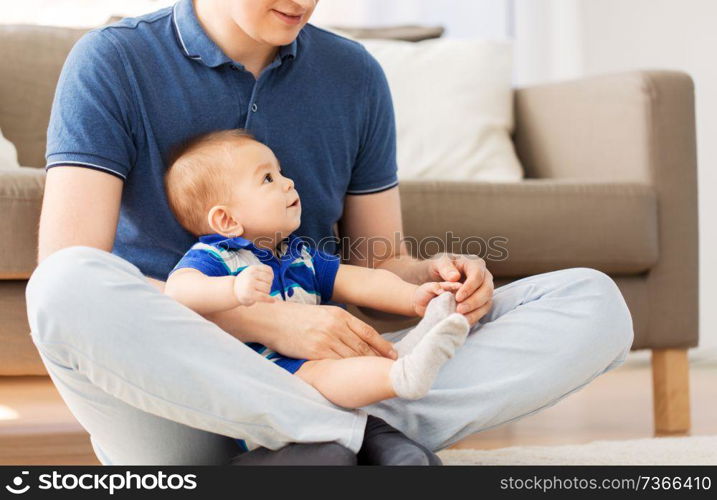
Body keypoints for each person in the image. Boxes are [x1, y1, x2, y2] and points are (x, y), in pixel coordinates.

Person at [25, 0, 635, 466]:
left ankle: (313, 447)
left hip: (323, 369)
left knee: (592, 301)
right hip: (173, 391)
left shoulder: (353, 75)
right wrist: (261, 319)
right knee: (63, 285)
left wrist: (434, 281)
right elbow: (70, 264)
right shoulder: (114, 60)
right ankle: (361, 437)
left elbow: (383, 260)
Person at [163, 129, 472, 437]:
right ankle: (401, 374)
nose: (288, 182)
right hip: (268, 382)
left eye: (280, 172)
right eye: (267, 179)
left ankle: (404, 359)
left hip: (317, 363)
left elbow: (360, 281)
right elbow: (177, 290)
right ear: (227, 221)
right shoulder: (218, 257)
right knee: (323, 372)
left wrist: (414, 296)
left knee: (349, 362)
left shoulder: (298, 253)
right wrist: (232, 289)